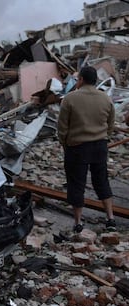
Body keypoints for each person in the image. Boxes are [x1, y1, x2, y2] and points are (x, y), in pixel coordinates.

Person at [57, 66, 116, 233]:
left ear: (81, 79)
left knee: (76, 183)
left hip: (77, 147)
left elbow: (62, 127)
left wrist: (65, 143)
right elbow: (111, 124)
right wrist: (103, 136)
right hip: (100, 146)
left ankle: (78, 222)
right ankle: (110, 218)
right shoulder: (105, 98)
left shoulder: (70, 99)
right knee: (102, 180)